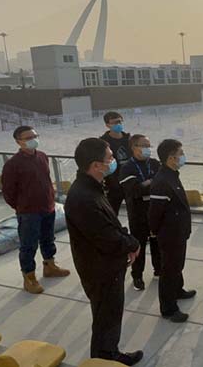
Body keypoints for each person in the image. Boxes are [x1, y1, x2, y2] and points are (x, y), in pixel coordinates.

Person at [65, 138, 143, 365]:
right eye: (109, 157)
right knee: (106, 317)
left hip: (106, 265)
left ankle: (106, 354)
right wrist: (132, 244)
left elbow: (110, 225)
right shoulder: (84, 198)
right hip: (100, 269)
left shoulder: (93, 188)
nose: (114, 161)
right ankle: (105, 358)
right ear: (96, 165)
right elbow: (106, 237)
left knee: (108, 314)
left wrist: (127, 241)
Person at [1, 126, 70, 294]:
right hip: (28, 212)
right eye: (28, 137)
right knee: (28, 245)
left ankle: (50, 265)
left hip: (47, 206)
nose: (33, 139)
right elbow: (8, 192)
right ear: (18, 141)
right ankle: (29, 276)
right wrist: (21, 207)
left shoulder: (42, 156)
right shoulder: (13, 164)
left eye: (34, 136)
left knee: (48, 239)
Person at [148, 139, 196, 322]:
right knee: (169, 270)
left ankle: (178, 290)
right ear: (170, 158)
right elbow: (155, 212)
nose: (183, 156)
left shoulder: (172, 175)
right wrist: (155, 232)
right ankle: (168, 308)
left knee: (177, 266)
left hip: (178, 231)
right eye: (180, 153)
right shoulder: (162, 181)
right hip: (169, 234)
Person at [119, 134, 162, 291]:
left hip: (155, 211)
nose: (147, 149)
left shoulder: (155, 163)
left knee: (157, 243)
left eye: (148, 145)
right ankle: (137, 276)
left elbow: (163, 183)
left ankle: (159, 270)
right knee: (139, 246)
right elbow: (134, 190)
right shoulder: (127, 168)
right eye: (143, 145)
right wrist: (152, 181)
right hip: (138, 213)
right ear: (134, 147)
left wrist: (147, 183)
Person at [100, 111, 131, 216]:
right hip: (113, 185)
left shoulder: (129, 139)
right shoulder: (103, 142)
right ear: (107, 125)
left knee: (134, 212)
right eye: (115, 122)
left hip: (130, 183)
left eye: (120, 121)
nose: (118, 124)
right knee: (111, 213)